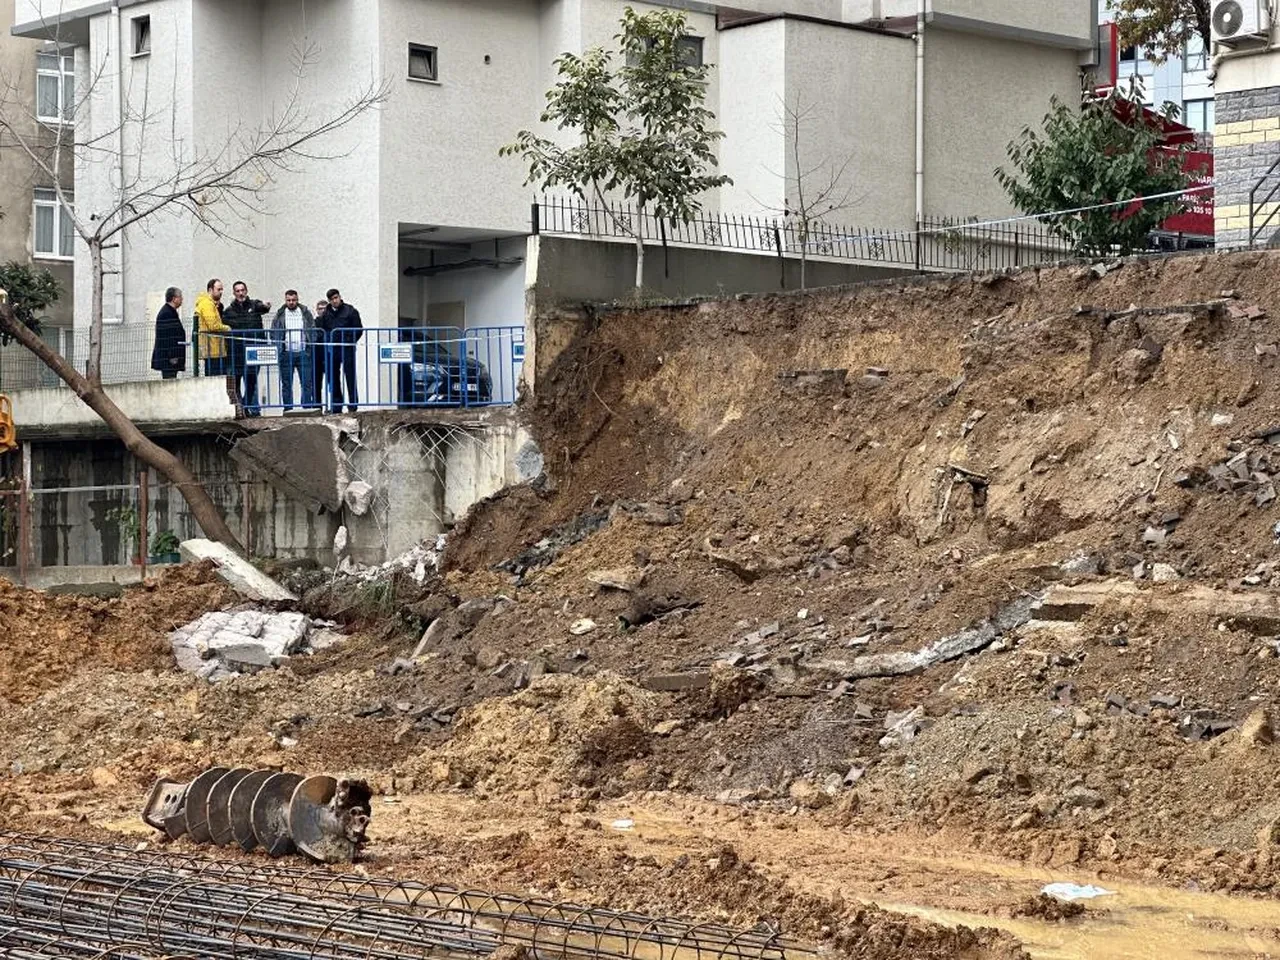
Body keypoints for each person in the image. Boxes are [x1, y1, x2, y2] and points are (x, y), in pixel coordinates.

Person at [224, 280, 272, 417]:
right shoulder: (229, 311)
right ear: (234, 293)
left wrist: (266, 305)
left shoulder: (254, 305)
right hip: (237, 352)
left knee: (251, 381)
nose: (240, 293)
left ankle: (245, 405)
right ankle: (240, 409)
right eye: (237, 291)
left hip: (254, 351)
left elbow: (263, 307)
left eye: (242, 290)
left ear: (246, 291)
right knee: (237, 382)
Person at [319, 288, 363, 413]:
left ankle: (353, 404)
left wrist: (349, 340)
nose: (335, 300)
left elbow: (358, 329)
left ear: (339, 297)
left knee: (350, 375)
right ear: (329, 301)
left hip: (347, 347)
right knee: (333, 376)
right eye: (332, 299)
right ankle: (337, 404)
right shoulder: (326, 313)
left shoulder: (350, 310)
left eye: (336, 297)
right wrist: (328, 340)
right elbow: (323, 329)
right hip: (333, 348)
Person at [271, 290, 316, 411]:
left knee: (307, 383)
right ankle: (288, 409)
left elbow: (312, 329)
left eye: (293, 300)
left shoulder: (305, 313)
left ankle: (306, 408)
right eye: (288, 300)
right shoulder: (280, 314)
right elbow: (274, 332)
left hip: (303, 352)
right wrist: (278, 347)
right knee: (286, 384)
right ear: (285, 300)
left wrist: (309, 346)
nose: (291, 302)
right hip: (286, 353)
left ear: (297, 299)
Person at [195, 279, 231, 378]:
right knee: (216, 379)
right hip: (213, 348)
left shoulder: (210, 303)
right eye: (218, 289)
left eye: (222, 289)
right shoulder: (207, 304)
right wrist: (227, 328)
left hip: (214, 348)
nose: (221, 292)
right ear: (211, 290)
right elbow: (213, 325)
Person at [150, 286, 186, 380]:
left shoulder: (170, 312)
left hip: (170, 358)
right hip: (169, 359)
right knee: (169, 382)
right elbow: (168, 337)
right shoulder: (167, 313)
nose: (182, 299)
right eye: (180, 297)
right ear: (174, 299)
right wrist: (172, 356)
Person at [312, 298, 330, 411]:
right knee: (316, 383)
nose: (322, 311)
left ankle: (333, 406)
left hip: (329, 355)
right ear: (316, 310)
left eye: (325, 308)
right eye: (320, 309)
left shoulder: (332, 322)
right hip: (316, 355)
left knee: (332, 383)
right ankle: (317, 407)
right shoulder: (314, 322)